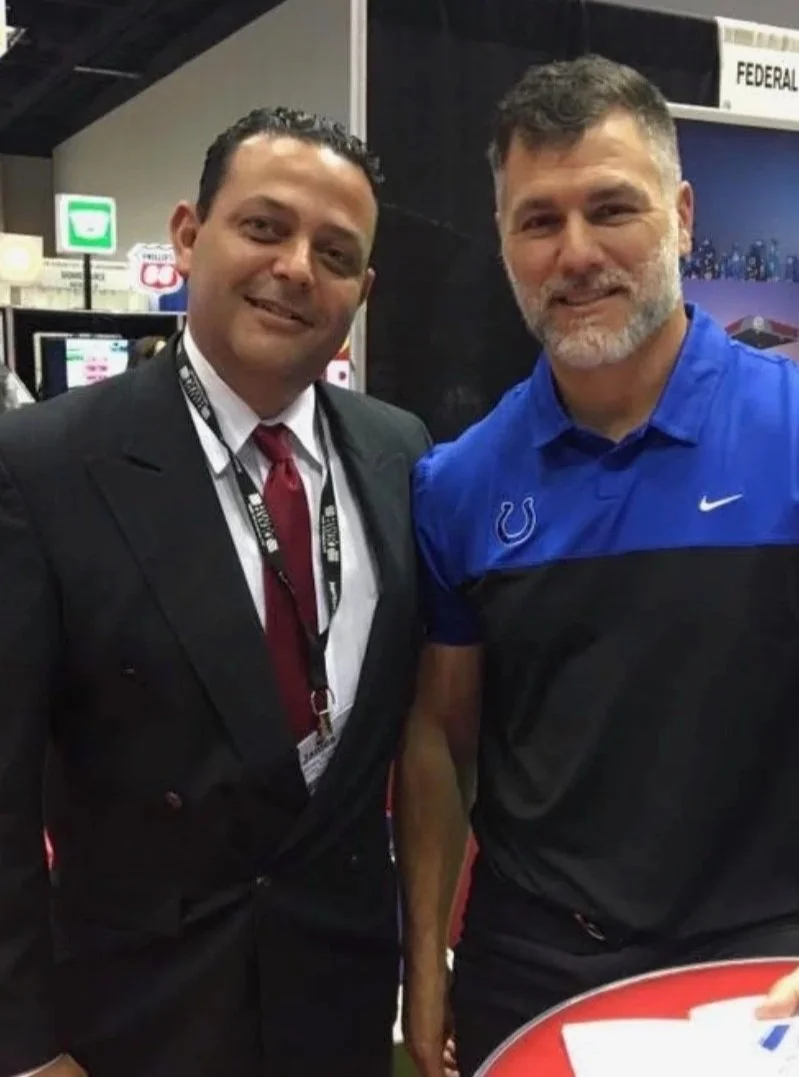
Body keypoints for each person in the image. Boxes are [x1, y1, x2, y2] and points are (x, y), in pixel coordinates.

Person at [0, 106, 430, 1077]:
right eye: (265, 228)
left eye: (333, 252)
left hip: (340, 1005)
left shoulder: (399, 454)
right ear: (190, 235)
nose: (294, 269)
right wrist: (23, 1046)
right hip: (132, 1019)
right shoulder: (45, 467)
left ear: (361, 290)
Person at [397, 54, 799, 1077]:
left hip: (766, 964)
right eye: (538, 221)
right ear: (502, 243)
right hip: (531, 965)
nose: (574, 253)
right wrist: (427, 953)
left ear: (681, 216)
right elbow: (441, 736)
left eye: (610, 209)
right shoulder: (457, 482)